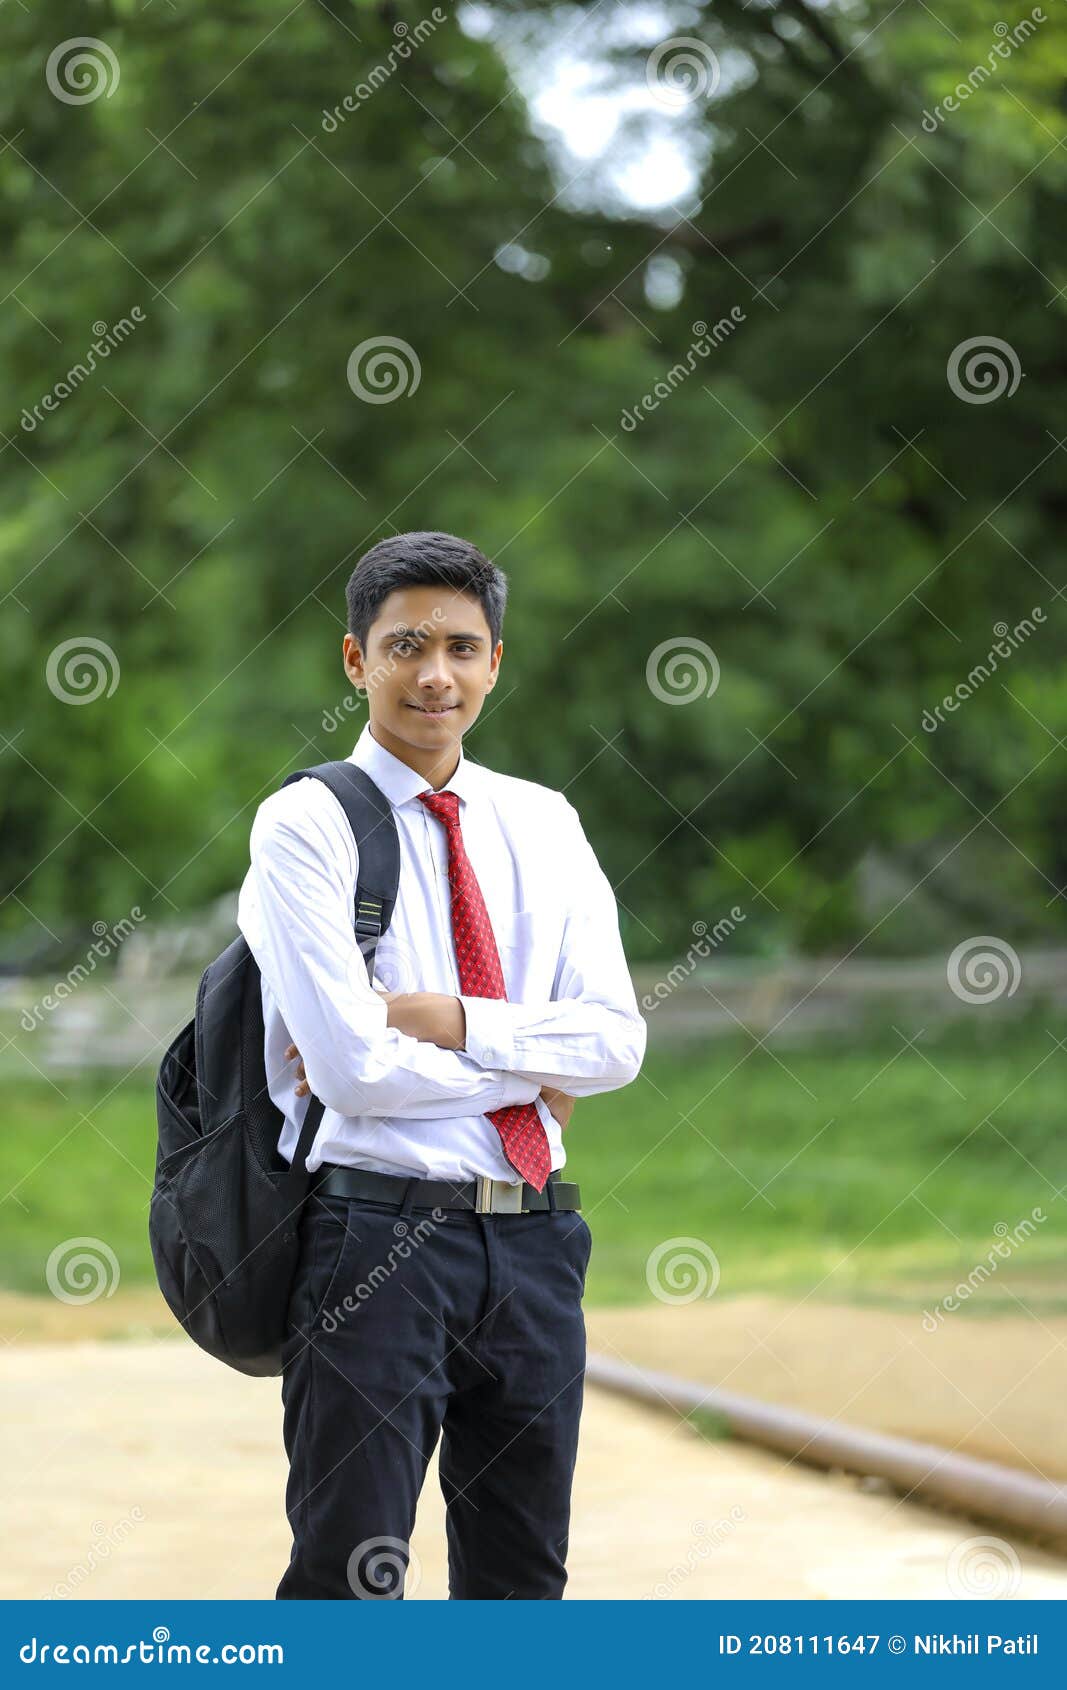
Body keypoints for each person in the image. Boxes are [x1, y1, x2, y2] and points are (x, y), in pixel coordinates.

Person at [236, 529, 647, 1600]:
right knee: (349, 1576)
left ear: (495, 661)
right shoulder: (306, 824)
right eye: (405, 644)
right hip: (374, 1239)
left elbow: (616, 1042)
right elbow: (353, 1072)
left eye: (462, 647)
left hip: (537, 1239)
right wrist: (531, 1059)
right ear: (354, 659)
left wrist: (453, 1019)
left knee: (522, 1582)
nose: (435, 674)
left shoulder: (544, 823)